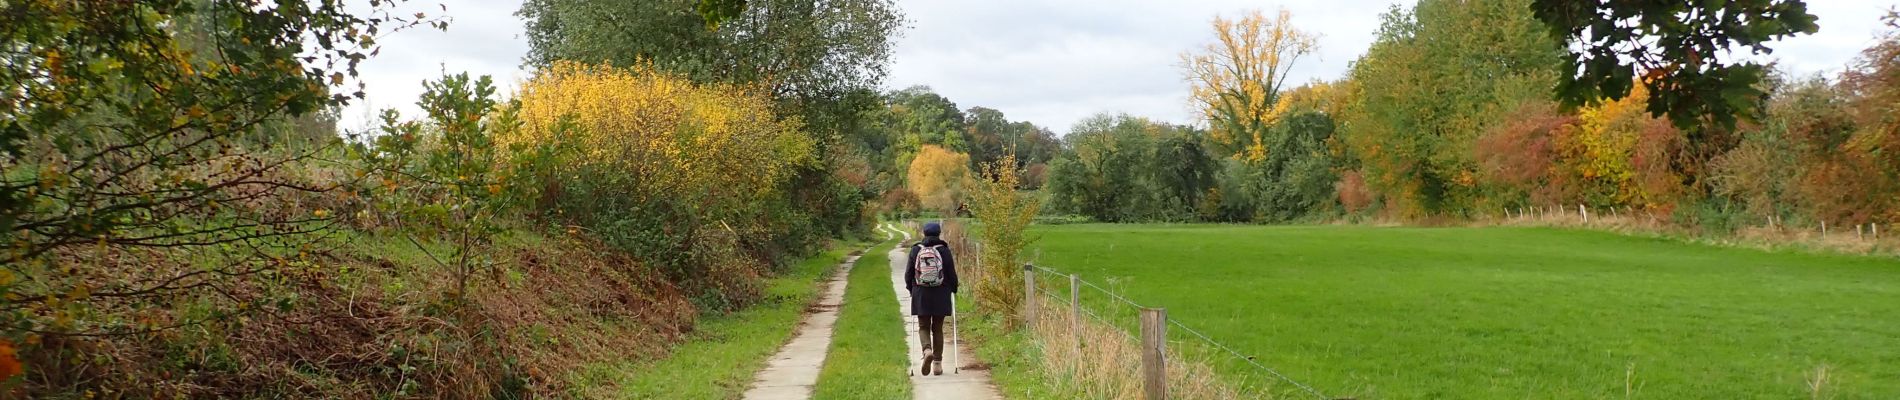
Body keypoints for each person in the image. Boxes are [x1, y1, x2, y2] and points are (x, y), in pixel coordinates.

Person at [907, 221, 959, 376]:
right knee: (937, 328)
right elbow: (951, 273)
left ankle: (927, 350)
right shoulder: (944, 250)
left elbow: (908, 274)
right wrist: (953, 289)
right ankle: (937, 364)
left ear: (924, 233)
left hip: (921, 293)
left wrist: (912, 290)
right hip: (941, 293)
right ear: (939, 233)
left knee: (923, 326)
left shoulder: (916, 249)